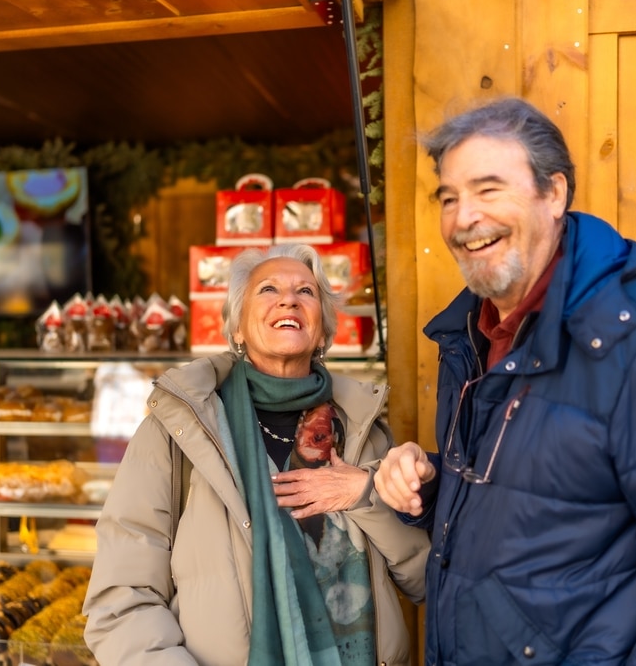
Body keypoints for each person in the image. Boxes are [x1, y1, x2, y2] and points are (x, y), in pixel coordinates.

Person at [373, 96, 636, 665]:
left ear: (554, 193)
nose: (463, 218)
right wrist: (431, 486)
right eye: (449, 198)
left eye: (488, 189)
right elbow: (551, 499)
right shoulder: (474, 333)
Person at [84, 243, 430, 666]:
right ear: (238, 328)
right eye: (268, 289)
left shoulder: (362, 431)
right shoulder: (180, 430)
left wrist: (367, 493)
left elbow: (425, 578)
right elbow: (121, 597)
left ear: (322, 331)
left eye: (306, 291)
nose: (289, 298)